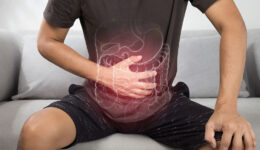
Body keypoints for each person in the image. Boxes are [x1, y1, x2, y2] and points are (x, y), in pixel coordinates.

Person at [17, 0, 256, 149]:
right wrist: (105, 75)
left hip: (163, 105)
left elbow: (232, 25)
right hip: (95, 104)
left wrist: (226, 108)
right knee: (35, 132)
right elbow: (47, 41)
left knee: (232, 142)